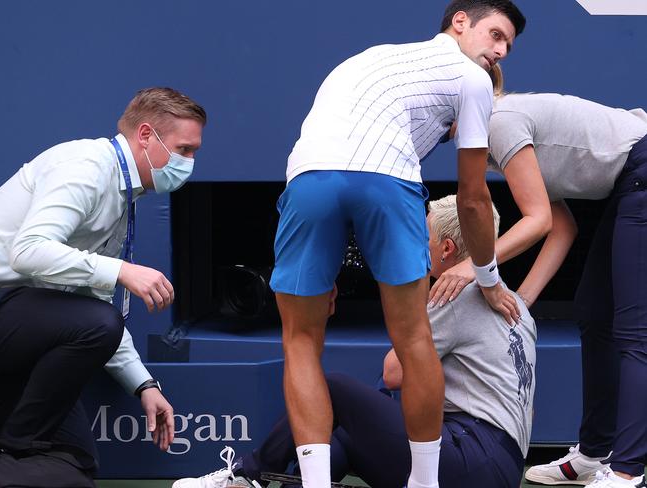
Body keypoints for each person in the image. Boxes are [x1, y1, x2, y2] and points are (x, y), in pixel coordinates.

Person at [267, 2, 526, 487]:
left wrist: (323, 263)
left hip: (306, 182)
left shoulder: (366, 59)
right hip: (387, 184)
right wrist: (487, 278)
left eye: (508, 45)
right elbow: (472, 200)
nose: (499, 51)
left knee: (300, 341)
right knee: (412, 338)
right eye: (496, 35)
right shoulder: (472, 81)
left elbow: (335, 166)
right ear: (460, 22)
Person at [173, 194, 536, 488]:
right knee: (344, 434)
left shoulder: (454, 294)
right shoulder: (514, 301)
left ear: (445, 250)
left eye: (420, 236)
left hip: (470, 457)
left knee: (332, 388)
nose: (414, 244)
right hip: (498, 466)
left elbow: (394, 373)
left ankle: (246, 475)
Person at [429, 87, 647, 487]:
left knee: (634, 331)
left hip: (642, 169)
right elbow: (563, 226)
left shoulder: (500, 122)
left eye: (442, 117)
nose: (440, 127)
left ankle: (626, 470)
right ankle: (595, 453)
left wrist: (472, 268)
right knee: (595, 314)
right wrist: (520, 304)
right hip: (629, 182)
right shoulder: (495, 141)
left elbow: (539, 222)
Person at [0, 87, 206, 487]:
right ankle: (13, 444)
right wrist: (121, 270)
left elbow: (86, 303)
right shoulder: (87, 168)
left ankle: (16, 449)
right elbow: (27, 251)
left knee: (76, 465)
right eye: (184, 149)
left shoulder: (123, 191)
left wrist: (143, 384)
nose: (189, 163)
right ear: (146, 135)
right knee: (101, 321)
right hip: (5, 309)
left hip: (20, 330)